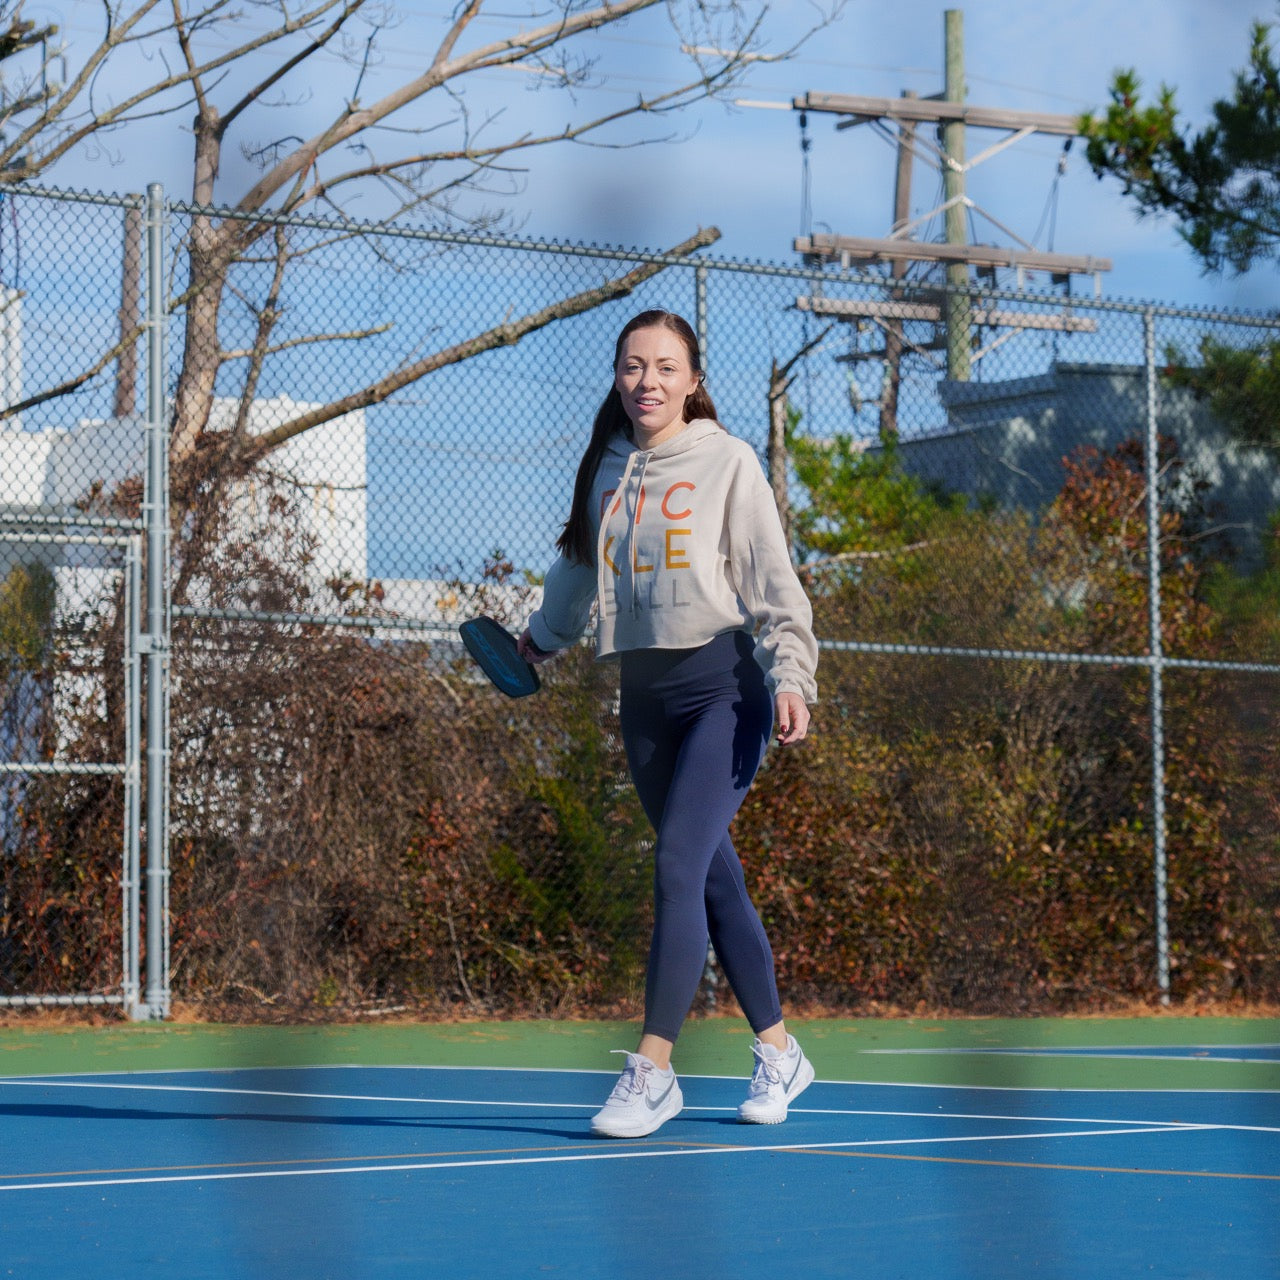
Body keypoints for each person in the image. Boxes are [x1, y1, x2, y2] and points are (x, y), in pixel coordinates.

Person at [517, 309, 819, 1140]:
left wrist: (793, 674)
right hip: (642, 698)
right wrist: (538, 643)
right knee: (712, 880)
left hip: (725, 688)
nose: (646, 381)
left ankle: (652, 1070)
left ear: (692, 380)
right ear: (617, 377)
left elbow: (772, 581)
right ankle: (781, 1050)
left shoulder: (728, 461)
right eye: (631, 367)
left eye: (663, 367)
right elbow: (578, 573)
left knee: (678, 862)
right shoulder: (606, 468)